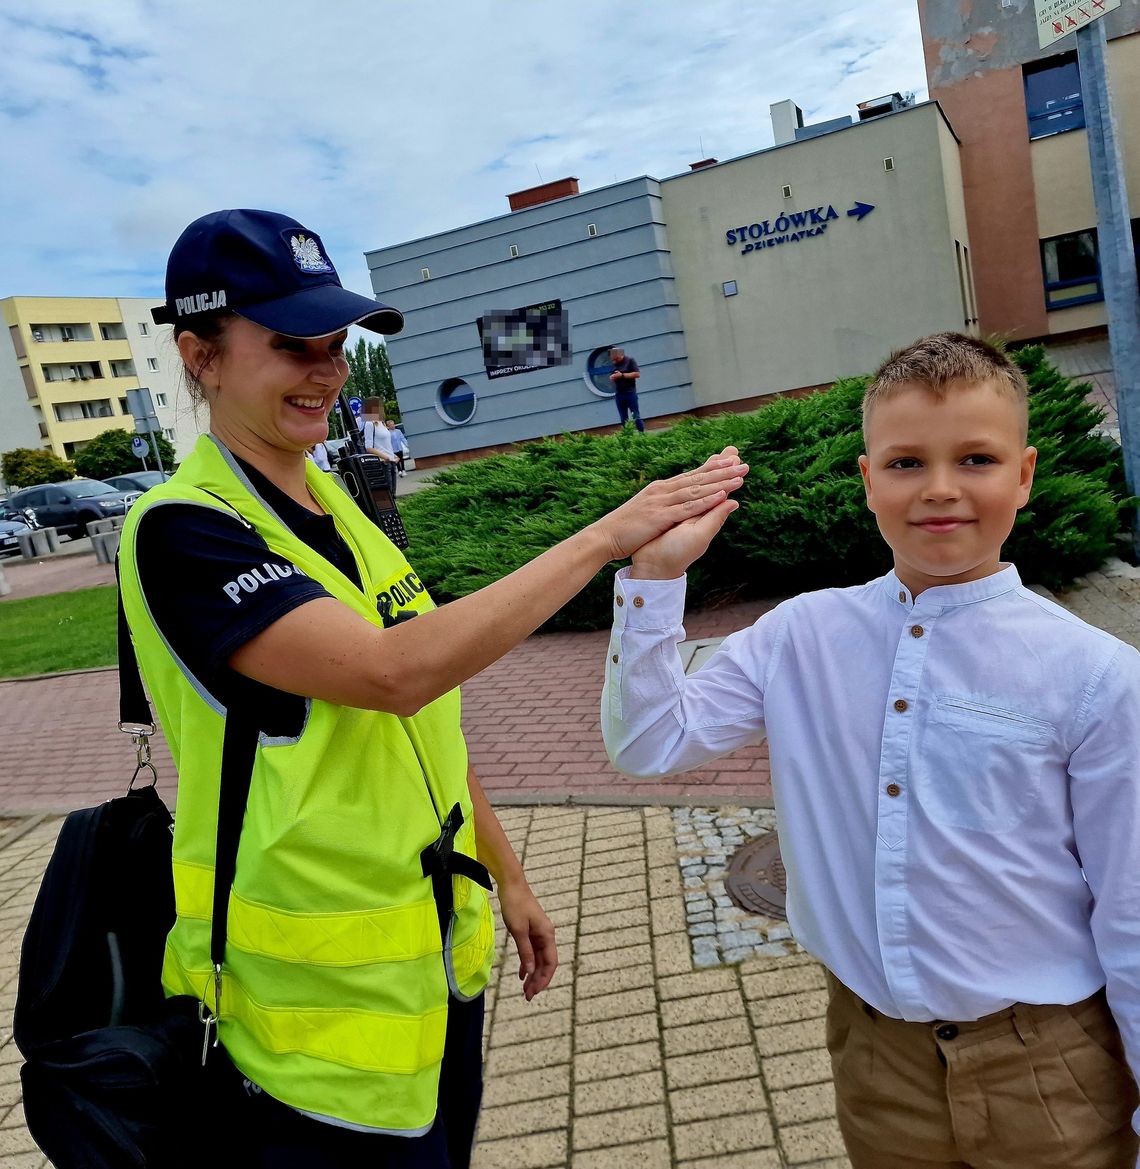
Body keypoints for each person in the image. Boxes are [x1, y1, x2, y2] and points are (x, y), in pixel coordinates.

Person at [120, 207, 747, 1169]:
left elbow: (426, 722)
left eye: (338, 344)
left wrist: (510, 873)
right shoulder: (184, 529)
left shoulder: (339, 510)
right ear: (200, 354)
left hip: (429, 968)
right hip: (312, 1018)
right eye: (294, 345)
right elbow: (393, 673)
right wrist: (603, 538)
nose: (329, 370)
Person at [602, 332, 1140, 1169]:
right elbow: (648, 742)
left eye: (976, 459)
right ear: (866, 480)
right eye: (904, 463)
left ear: (1024, 475)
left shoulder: (1095, 674)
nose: (940, 489)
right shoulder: (801, 635)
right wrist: (655, 578)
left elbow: (1132, 910)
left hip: (1050, 1065)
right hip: (874, 1055)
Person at [359, 397, 399, 494]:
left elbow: (385, 444)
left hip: (391, 461)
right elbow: (368, 447)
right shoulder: (370, 424)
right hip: (383, 463)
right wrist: (385, 457)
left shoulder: (382, 423)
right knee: (388, 492)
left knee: (393, 492)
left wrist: (394, 456)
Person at [609, 346, 644, 432]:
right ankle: (628, 437)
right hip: (619, 394)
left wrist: (622, 375)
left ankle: (642, 434)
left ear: (621, 355)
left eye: (616, 359)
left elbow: (637, 374)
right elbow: (613, 375)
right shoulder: (614, 364)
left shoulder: (630, 361)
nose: (615, 361)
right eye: (613, 359)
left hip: (630, 392)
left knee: (635, 415)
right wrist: (612, 377)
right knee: (623, 418)